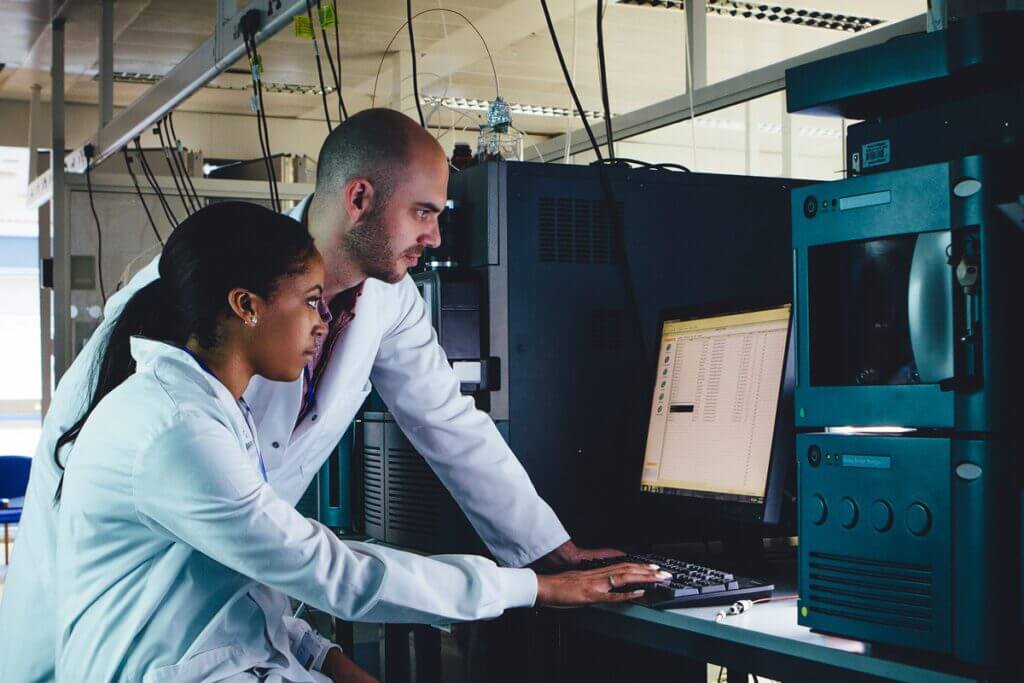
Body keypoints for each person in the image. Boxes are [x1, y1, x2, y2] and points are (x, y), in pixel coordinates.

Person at [0, 109, 627, 681]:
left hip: (230, 613)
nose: (434, 237)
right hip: (120, 617)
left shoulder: (388, 302)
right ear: (360, 198)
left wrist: (547, 550)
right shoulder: (184, 323)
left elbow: (449, 420)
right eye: (424, 212)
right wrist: (530, 589)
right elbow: (79, 455)